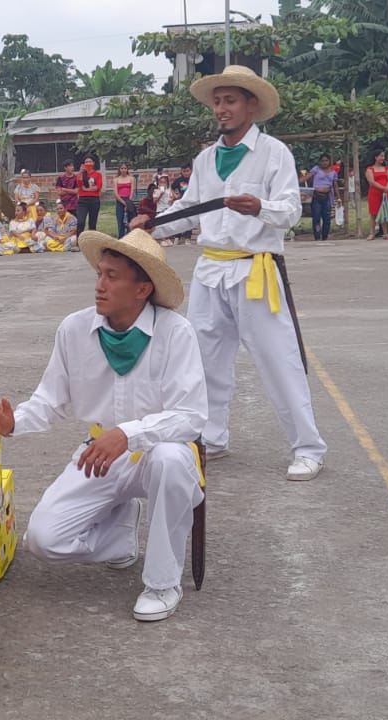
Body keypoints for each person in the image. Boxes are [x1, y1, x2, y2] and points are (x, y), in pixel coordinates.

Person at [0, 230, 204, 622]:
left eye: (112, 277)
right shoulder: (74, 329)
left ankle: (163, 583)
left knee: (169, 460)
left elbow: (191, 416)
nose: (99, 285)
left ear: (142, 289)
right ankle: (119, 539)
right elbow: (50, 399)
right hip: (100, 452)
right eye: (99, 273)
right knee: (43, 540)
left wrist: (128, 433)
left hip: (160, 453)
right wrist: (12, 423)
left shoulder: (175, 332)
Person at [130, 65, 326, 481]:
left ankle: (308, 447)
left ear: (251, 105)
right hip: (210, 270)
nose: (221, 108)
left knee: (278, 360)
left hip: (255, 270)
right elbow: (188, 210)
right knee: (203, 362)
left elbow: (291, 210)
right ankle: (212, 437)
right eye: (217, 101)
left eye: (230, 100)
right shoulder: (206, 159)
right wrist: (151, 226)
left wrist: (260, 208)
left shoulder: (274, 153)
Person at [364, 149, 388, 240]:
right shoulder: (369, 169)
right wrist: (383, 188)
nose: (382, 158)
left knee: (385, 212)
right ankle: (371, 233)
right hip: (374, 193)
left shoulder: (386, 168)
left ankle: (385, 233)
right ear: (375, 157)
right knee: (373, 213)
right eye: (381, 156)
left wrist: (387, 187)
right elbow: (372, 182)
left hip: (386, 193)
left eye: (383, 156)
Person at [308, 154, 337, 241]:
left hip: (327, 197)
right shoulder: (316, 169)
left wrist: (338, 197)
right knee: (316, 218)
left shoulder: (333, 172)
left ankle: (325, 236)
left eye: (326, 160)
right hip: (316, 196)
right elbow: (307, 177)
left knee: (327, 218)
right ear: (320, 162)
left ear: (329, 161)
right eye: (323, 161)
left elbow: (335, 185)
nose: (325, 162)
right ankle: (317, 236)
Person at [77, 158, 104, 232]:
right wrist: (80, 172)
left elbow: (97, 187)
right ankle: (79, 237)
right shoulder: (80, 174)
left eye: (90, 161)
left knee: (92, 223)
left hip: (94, 200)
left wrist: (85, 189)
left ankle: (91, 238)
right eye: (86, 162)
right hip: (83, 200)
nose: (88, 163)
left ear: (93, 163)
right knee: (80, 222)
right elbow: (79, 185)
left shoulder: (98, 174)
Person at [113, 163, 136, 236]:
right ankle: (121, 237)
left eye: (125, 168)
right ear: (119, 169)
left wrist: (128, 203)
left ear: (127, 169)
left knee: (130, 220)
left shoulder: (131, 178)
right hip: (120, 201)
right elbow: (115, 193)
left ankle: (130, 236)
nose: (123, 170)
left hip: (128, 199)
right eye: (122, 168)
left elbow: (132, 191)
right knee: (120, 220)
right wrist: (124, 203)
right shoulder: (116, 179)